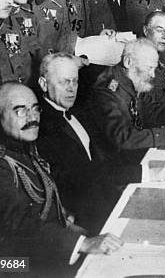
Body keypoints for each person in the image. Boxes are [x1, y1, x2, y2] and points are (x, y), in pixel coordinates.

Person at [0, 82, 122, 270]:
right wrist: (83, 243)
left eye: (35, 109)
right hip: (20, 266)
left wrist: (83, 233)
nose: (32, 117)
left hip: (51, 246)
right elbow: (18, 226)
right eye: (20, 111)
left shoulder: (28, 152)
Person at [36, 53, 117, 232]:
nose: (71, 89)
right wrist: (141, 173)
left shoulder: (78, 111)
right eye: (64, 82)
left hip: (102, 196)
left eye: (75, 81)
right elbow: (79, 179)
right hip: (82, 216)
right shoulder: (44, 127)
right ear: (43, 84)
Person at [91, 39, 165, 164]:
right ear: (128, 62)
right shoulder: (106, 92)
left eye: (154, 69)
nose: (153, 75)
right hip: (118, 167)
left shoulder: (129, 80)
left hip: (137, 156)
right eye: (149, 68)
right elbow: (122, 137)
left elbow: (151, 107)